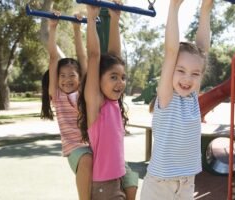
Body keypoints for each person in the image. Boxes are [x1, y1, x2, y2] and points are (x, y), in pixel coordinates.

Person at [140, 0, 213, 199]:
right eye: (180, 70)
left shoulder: (192, 97)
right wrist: (174, 7)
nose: (187, 78)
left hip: (187, 181)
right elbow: (171, 51)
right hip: (160, 184)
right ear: (170, 70)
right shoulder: (167, 96)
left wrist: (206, 9)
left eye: (195, 74)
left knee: (199, 57)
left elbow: (203, 52)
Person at [78, 4, 132, 200]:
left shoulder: (113, 103)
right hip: (103, 187)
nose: (120, 82)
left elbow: (114, 55)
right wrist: (91, 18)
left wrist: (115, 19)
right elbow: (94, 57)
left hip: (118, 180)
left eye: (123, 77)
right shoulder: (96, 103)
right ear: (97, 79)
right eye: (113, 77)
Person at [40, 12, 92, 200]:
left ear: (80, 77)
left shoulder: (85, 93)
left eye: (72, 75)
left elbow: (83, 57)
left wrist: (77, 29)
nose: (67, 80)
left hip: (94, 145)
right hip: (75, 149)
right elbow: (54, 58)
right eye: (62, 76)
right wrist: (53, 27)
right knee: (86, 161)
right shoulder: (57, 96)